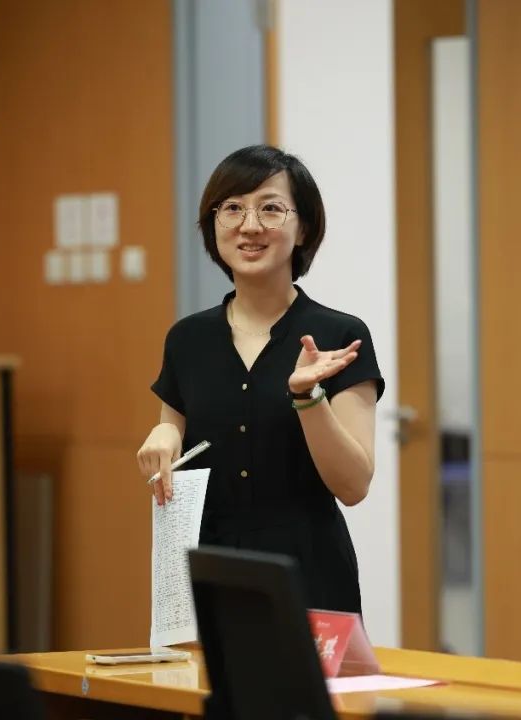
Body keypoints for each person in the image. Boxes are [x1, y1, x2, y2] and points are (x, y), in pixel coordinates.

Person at [136, 145, 383, 614]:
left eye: (270, 208)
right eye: (232, 208)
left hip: (310, 575)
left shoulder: (340, 335)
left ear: (302, 228)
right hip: (209, 572)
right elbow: (173, 434)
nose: (249, 226)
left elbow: (353, 486)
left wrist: (307, 396)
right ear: (213, 224)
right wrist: (164, 435)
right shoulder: (187, 338)